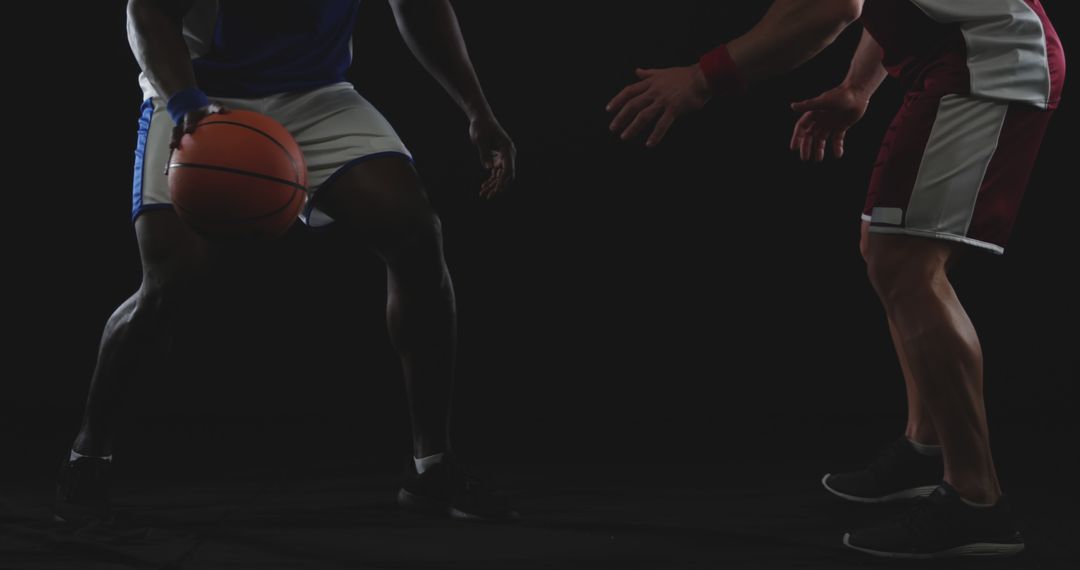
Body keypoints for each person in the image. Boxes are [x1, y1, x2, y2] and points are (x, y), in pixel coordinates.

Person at [606, 0, 1064, 558]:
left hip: (986, 58)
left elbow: (830, 8)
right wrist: (857, 87)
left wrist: (702, 79)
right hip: (954, 56)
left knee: (906, 266)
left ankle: (976, 502)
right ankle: (927, 445)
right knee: (887, 251)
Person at [56, 0, 519, 524]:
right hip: (200, 89)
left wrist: (477, 109)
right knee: (171, 277)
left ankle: (433, 468)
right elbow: (148, 11)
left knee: (416, 234)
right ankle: (88, 454)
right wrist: (186, 103)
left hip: (316, 94)